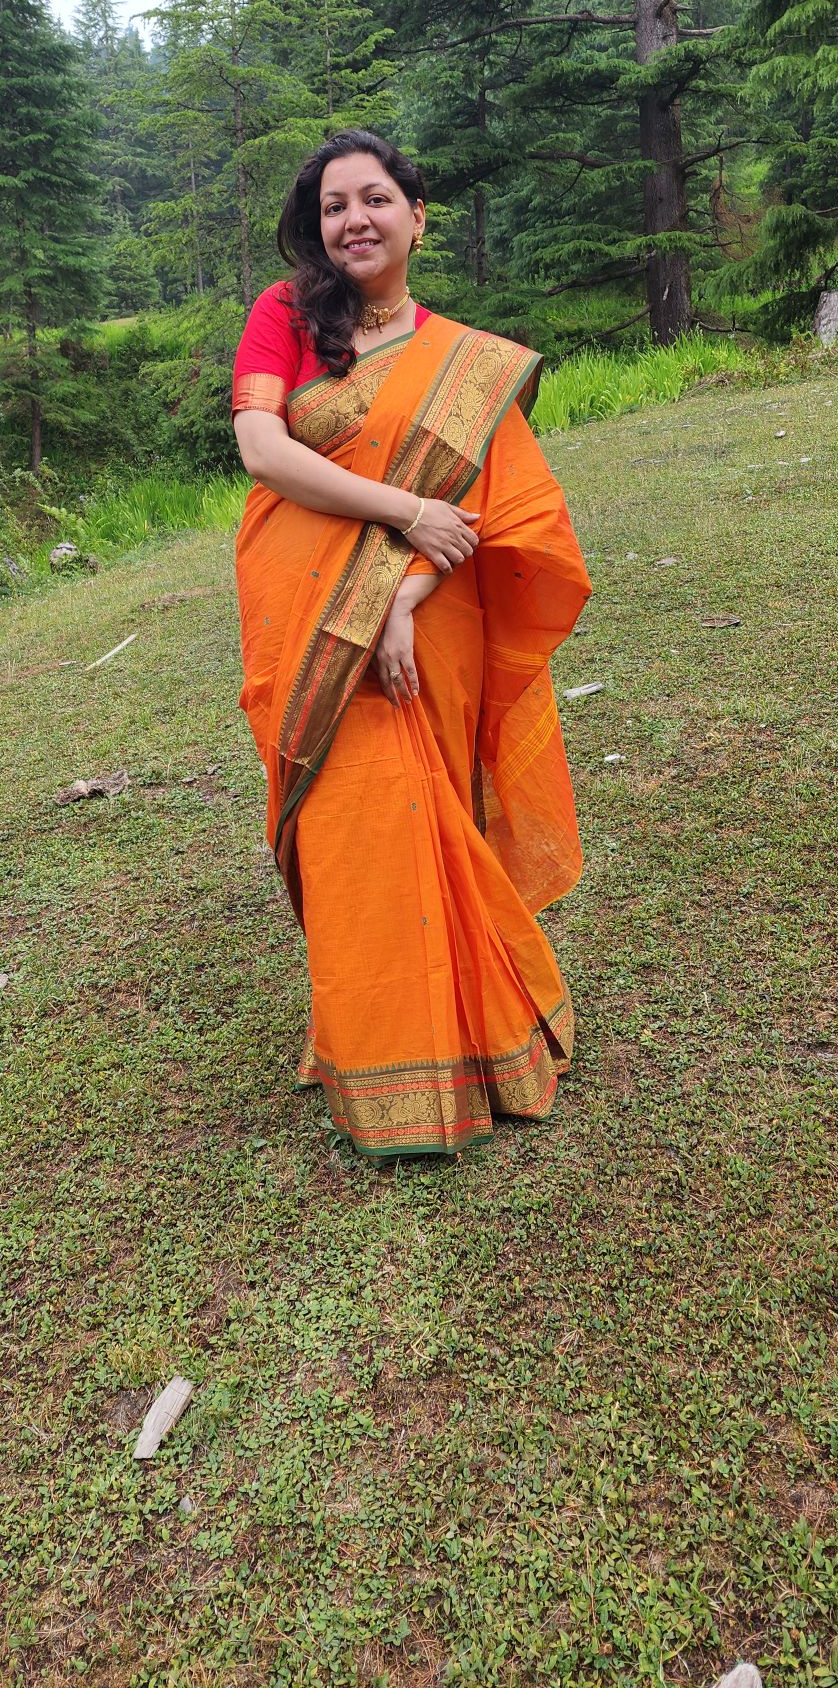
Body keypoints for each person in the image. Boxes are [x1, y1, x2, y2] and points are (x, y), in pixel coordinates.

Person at [232, 128, 590, 1159]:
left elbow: (494, 511)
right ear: (317, 225)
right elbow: (264, 452)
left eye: (375, 198)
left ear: (416, 216)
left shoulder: (462, 362)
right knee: (349, 825)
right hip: (302, 609)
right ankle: (372, 1043)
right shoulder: (286, 314)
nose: (355, 217)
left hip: (420, 621)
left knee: (424, 807)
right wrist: (401, 514)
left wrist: (402, 590)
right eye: (335, 203)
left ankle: (480, 1042)